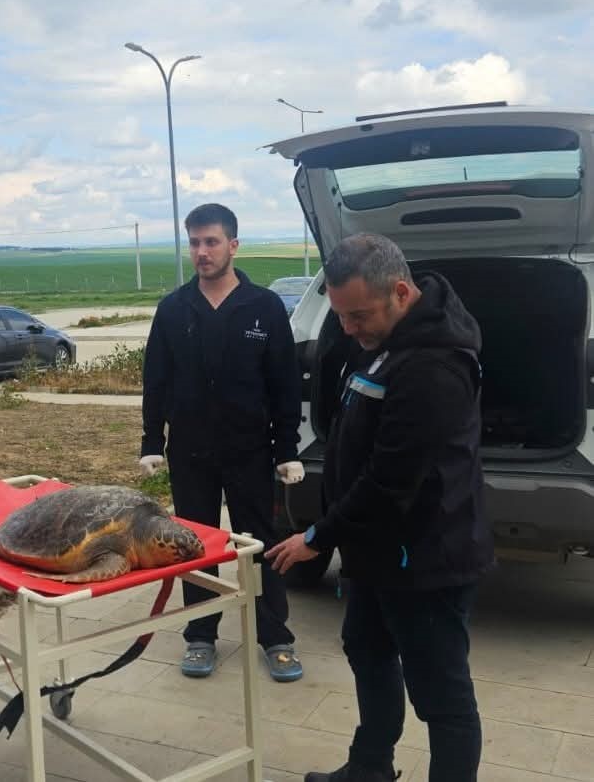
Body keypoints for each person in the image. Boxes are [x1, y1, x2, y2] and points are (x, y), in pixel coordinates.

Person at [267, 233, 494, 782]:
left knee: (442, 696)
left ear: (399, 292)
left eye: (358, 316)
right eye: (340, 316)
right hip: (377, 553)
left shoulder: (433, 366)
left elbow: (391, 482)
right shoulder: (385, 341)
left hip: (426, 559)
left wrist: (317, 536)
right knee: (367, 652)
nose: (348, 330)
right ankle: (370, 769)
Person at [139, 203, 304, 681]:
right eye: (194, 243)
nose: (201, 252)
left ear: (233, 245)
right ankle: (200, 636)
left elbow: (284, 386)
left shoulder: (264, 308)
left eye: (211, 242)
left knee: (261, 544)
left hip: (251, 452)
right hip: (190, 454)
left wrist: (287, 450)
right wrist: (153, 439)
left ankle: (274, 636)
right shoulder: (174, 308)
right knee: (196, 546)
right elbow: (157, 380)